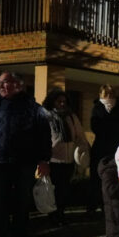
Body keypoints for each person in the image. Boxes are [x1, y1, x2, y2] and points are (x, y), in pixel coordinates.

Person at [0, 72, 51, 237]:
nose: (3, 86)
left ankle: (20, 236)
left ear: (19, 85)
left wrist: (44, 160)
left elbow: (44, 135)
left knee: (21, 200)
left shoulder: (33, 108)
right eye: (1, 82)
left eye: (7, 82)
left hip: (24, 163)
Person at [42, 88, 90, 225]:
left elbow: (80, 135)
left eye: (64, 101)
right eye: (59, 101)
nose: (62, 104)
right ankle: (52, 216)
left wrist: (83, 147)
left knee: (64, 190)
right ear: (52, 102)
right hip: (52, 160)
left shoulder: (71, 117)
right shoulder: (46, 116)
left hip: (68, 160)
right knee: (53, 191)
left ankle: (60, 214)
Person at [87, 84, 119, 215]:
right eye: (106, 94)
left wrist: (111, 126)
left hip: (114, 148)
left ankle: (109, 205)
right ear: (101, 95)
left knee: (113, 177)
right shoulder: (97, 107)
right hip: (100, 148)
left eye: (111, 94)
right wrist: (111, 126)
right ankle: (93, 205)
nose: (109, 97)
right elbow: (95, 126)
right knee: (96, 177)